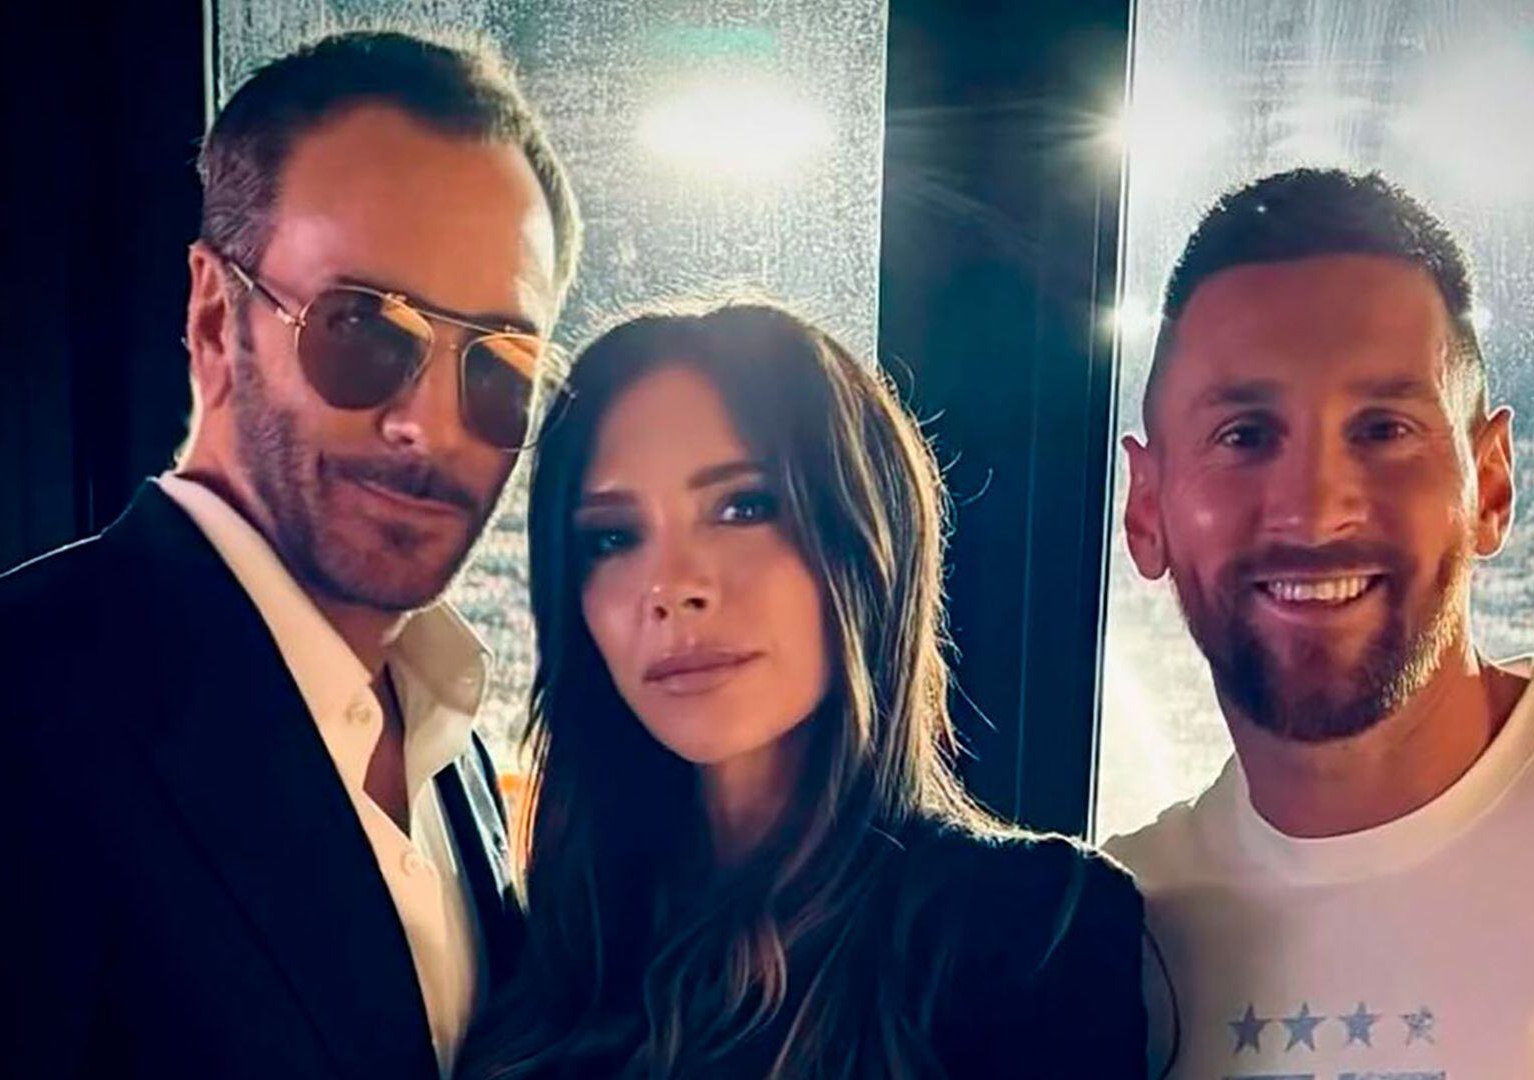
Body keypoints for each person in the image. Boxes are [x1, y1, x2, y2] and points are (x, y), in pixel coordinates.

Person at [0, 30, 579, 1079]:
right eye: (362, 328)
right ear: (214, 318)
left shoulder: (450, 743)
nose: (428, 426)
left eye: (500, 365)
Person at [1105, 167, 1534, 1078]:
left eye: (1383, 429)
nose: (1315, 512)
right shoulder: (1113, 935)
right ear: (1146, 511)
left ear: (1490, 485)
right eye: (1245, 436)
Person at [455, 302, 1146, 1079]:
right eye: (612, 537)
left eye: (743, 507)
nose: (671, 586)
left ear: (864, 538)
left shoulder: (1029, 931)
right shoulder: (559, 944)